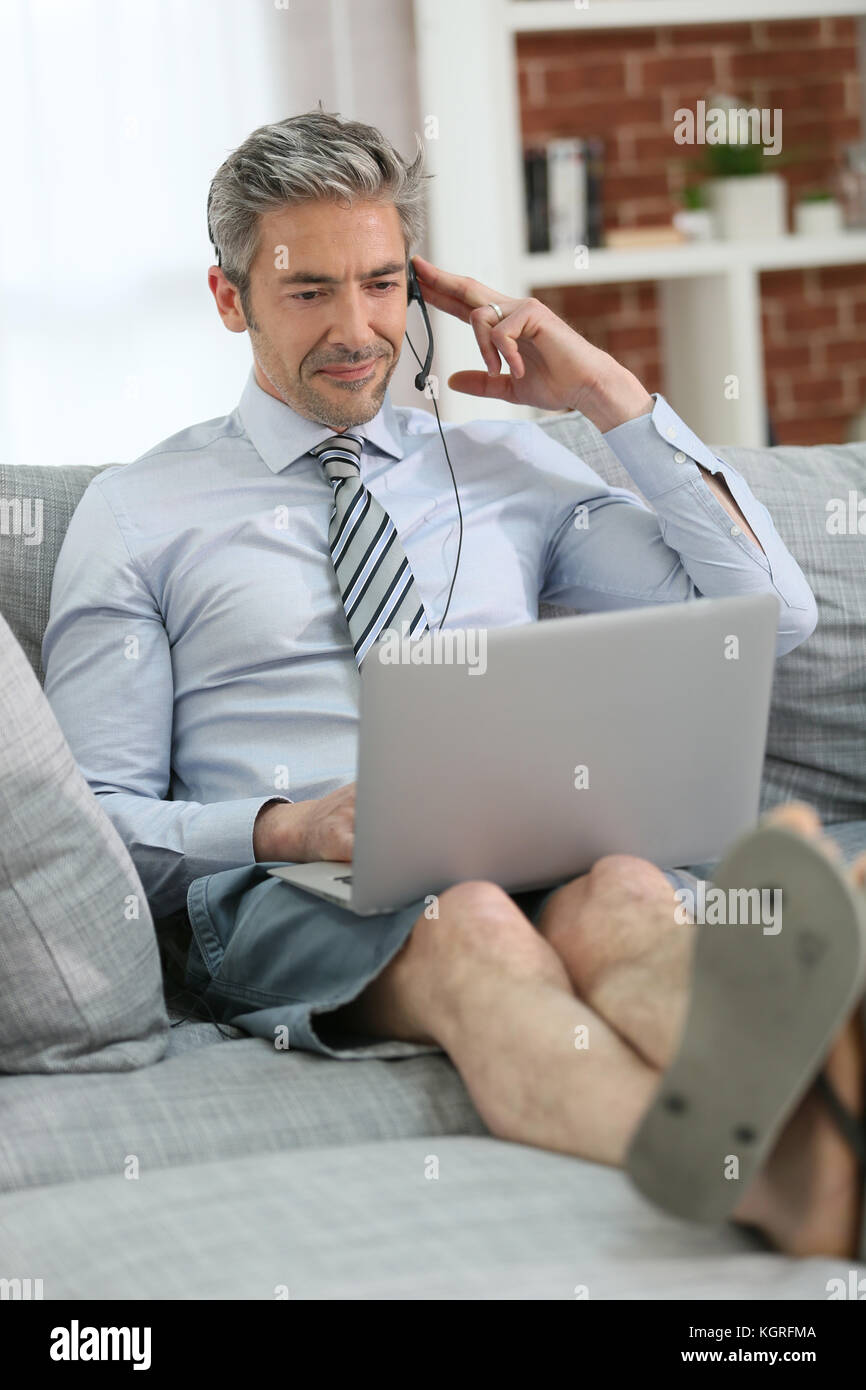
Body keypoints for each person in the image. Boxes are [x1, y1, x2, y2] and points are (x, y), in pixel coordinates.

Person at [43, 111, 862, 1259]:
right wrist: (284, 823)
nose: (356, 329)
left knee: (633, 893)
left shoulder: (509, 467)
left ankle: (816, 1111)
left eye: (382, 285)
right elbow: (93, 826)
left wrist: (600, 394)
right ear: (230, 300)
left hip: (541, 843)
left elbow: (768, 616)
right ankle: (779, 1188)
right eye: (308, 291)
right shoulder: (139, 513)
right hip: (294, 889)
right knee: (468, 920)